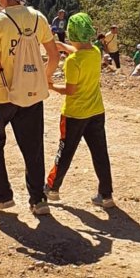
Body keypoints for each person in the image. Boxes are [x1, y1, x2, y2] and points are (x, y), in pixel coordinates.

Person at [0, 0, 60, 215]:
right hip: (32, 94)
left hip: (3, 96)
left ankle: (1, 196)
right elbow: (54, 55)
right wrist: (43, 78)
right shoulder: (38, 18)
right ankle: (38, 199)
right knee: (33, 147)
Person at [46, 12, 113, 209]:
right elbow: (80, 51)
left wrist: (50, 86)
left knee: (65, 151)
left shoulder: (72, 62)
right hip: (96, 112)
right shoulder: (96, 52)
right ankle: (106, 194)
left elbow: (70, 90)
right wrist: (62, 47)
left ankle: (52, 188)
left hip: (75, 114)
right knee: (100, 153)